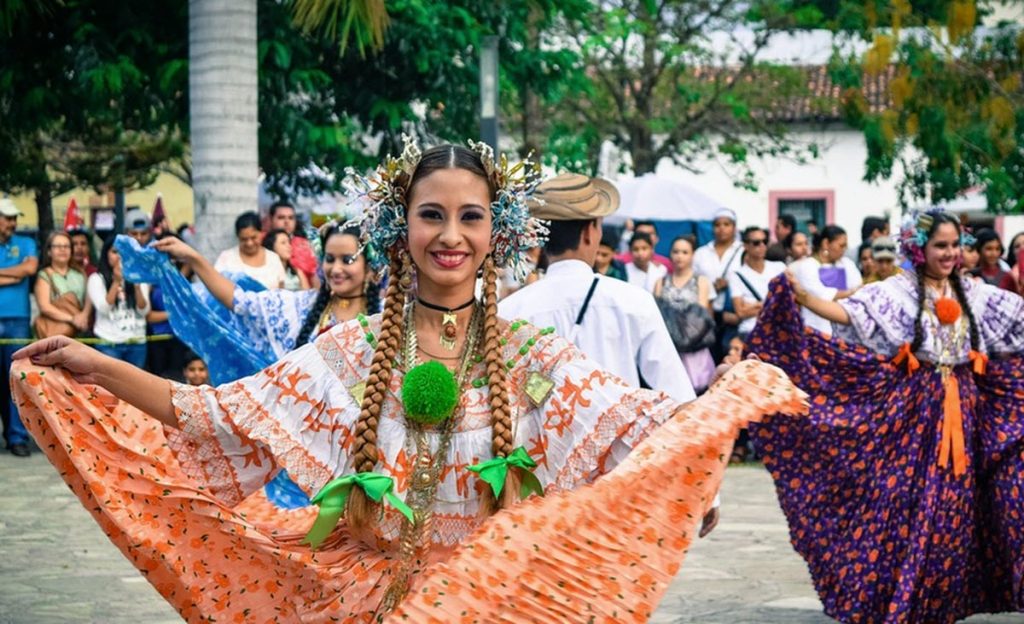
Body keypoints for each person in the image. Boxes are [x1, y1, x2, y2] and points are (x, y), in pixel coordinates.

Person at [11, 141, 804, 621]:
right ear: (403, 226)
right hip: (361, 599)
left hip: (493, 605)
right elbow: (213, 414)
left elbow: (638, 423)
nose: (450, 235)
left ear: (500, 233)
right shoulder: (350, 350)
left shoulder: (534, 356)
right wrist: (100, 366)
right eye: (432, 214)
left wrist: (694, 486)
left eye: (470, 217)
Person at [747, 209, 1024, 624]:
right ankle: (905, 597)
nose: (950, 254)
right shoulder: (896, 292)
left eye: (954, 246)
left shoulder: (975, 293)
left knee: (957, 509)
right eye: (940, 246)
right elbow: (852, 315)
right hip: (912, 414)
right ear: (919, 249)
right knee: (910, 506)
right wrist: (803, 299)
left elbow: (1017, 321)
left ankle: (941, 603)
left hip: (966, 413)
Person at [500, 172, 696, 404]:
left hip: (540, 440)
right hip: (623, 438)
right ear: (589, 232)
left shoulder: (509, 311)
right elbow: (678, 395)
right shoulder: (634, 301)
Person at [152, 222, 380, 361]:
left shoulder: (388, 314)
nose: (336, 268)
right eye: (330, 259)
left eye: (347, 260)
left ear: (370, 266)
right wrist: (193, 258)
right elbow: (239, 301)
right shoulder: (300, 307)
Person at [654, 235, 717, 393]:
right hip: (669, 346)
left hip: (694, 344)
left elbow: (701, 314)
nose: (679, 256)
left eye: (684, 252)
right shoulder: (660, 281)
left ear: (692, 255)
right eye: (676, 251)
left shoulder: (701, 281)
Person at [0, 198, 37, 457]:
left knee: (16, 380)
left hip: (18, 319)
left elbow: (30, 268)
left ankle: (17, 436)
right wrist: (16, 273)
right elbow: (22, 270)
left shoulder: (26, 242)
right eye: (8, 218)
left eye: (14, 218)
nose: (13, 223)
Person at [88, 236, 151, 367]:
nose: (119, 257)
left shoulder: (139, 277)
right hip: (109, 343)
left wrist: (137, 285)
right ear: (106, 255)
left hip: (136, 341)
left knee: (135, 384)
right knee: (110, 385)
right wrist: (117, 281)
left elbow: (144, 310)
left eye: (124, 252)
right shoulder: (96, 279)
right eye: (115, 252)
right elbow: (104, 309)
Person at [788, 225, 862, 336]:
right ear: (826, 243)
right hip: (815, 328)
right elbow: (821, 295)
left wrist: (849, 293)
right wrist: (850, 292)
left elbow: (859, 290)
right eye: (841, 245)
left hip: (844, 329)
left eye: (845, 246)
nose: (844, 249)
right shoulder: (808, 266)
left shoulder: (847, 263)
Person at [729, 227, 785, 342]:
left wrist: (754, 305)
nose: (762, 246)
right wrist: (773, 303)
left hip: (778, 330)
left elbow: (789, 301)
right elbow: (740, 312)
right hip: (750, 331)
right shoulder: (736, 275)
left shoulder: (779, 267)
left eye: (765, 241)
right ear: (745, 246)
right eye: (756, 243)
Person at [33, 231, 91, 337]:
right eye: (58, 246)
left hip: (79, 330)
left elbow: (88, 299)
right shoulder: (44, 275)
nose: (62, 249)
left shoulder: (80, 274)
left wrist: (84, 315)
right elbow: (45, 307)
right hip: (54, 330)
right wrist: (72, 319)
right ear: (49, 252)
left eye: (66, 246)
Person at [214, 211, 287, 290]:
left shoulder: (273, 258)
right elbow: (216, 286)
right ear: (238, 237)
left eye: (253, 237)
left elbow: (281, 291)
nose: (249, 243)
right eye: (244, 239)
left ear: (261, 233)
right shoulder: (226, 258)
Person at [268, 200, 318, 286]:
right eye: (281, 217)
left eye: (291, 218)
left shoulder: (305, 245)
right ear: (271, 220)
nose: (287, 222)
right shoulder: (260, 243)